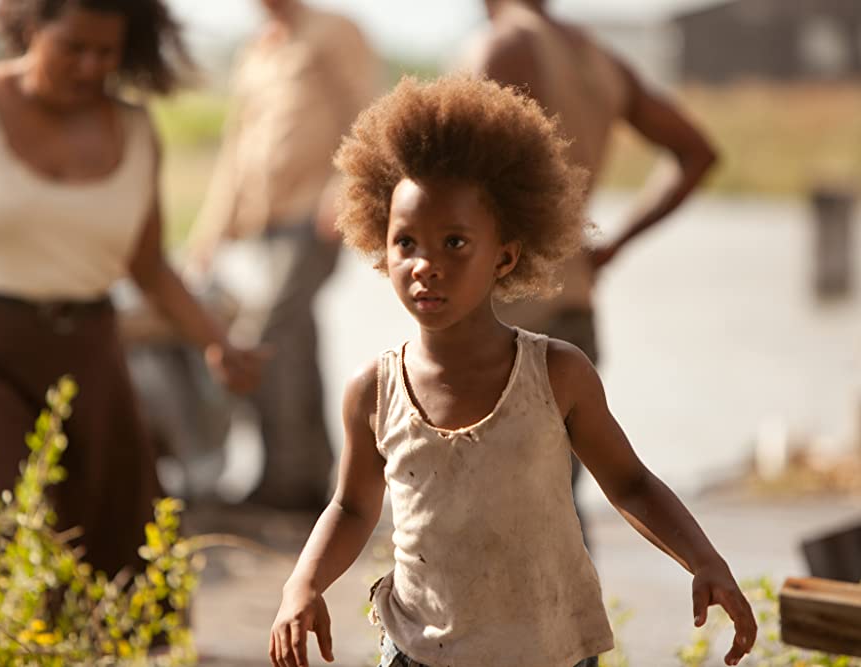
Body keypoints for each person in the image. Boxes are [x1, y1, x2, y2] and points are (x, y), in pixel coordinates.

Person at [268, 76, 756, 667]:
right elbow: (350, 507)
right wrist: (302, 585)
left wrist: (704, 560)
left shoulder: (556, 374)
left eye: (454, 243)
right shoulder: (373, 390)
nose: (425, 265)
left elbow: (630, 484)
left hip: (548, 649)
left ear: (505, 255)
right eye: (406, 243)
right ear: (381, 244)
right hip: (418, 651)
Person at [0, 0, 262, 579]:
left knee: (119, 537)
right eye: (74, 48)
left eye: (107, 52)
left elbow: (148, 265)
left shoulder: (134, 128)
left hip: (88, 350)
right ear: (30, 26)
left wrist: (215, 340)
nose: (91, 66)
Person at [463, 0, 719, 542]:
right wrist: (610, 247)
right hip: (573, 301)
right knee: (557, 502)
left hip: (506, 307)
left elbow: (465, 184)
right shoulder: (599, 59)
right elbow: (696, 152)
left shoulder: (502, 46)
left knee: (491, 505)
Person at [188, 0, 380, 510]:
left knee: (264, 337)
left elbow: (366, 112)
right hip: (265, 220)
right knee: (293, 343)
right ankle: (310, 478)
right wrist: (210, 231)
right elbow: (237, 143)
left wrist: (343, 190)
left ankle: (282, 478)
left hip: (313, 214)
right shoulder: (257, 49)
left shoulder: (333, 31)